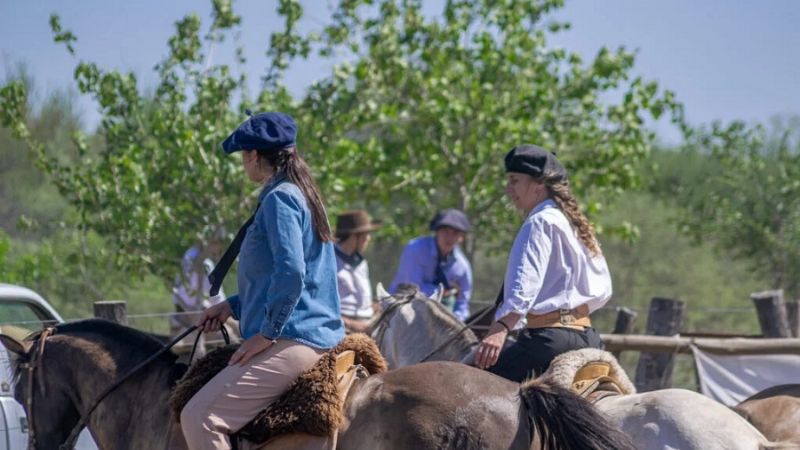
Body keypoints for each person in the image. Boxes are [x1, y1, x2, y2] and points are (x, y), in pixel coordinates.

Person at [181, 112, 345, 450]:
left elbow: (292, 273)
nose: (244, 165)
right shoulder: (302, 194)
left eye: (244, 156)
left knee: (198, 417)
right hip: (309, 333)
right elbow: (286, 279)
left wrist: (267, 334)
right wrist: (232, 305)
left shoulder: (279, 199)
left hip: (293, 338)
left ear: (254, 155)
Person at [474, 144, 612, 382]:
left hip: (549, 342)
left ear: (539, 184)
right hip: (589, 338)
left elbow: (524, 285)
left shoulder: (539, 221)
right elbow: (604, 290)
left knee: (473, 388)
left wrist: (500, 329)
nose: (508, 189)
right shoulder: (574, 224)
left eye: (514, 180)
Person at [389, 209, 473, 321]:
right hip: (401, 310)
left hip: (440, 322)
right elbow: (412, 289)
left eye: (455, 233)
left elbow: (462, 304)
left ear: (461, 237)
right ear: (437, 231)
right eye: (445, 231)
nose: (450, 237)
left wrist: (456, 322)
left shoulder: (462, 267)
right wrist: (444, 293)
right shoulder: (415, 249)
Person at [333, 209, 381, 333]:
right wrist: (351, 323)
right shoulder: (329, 260)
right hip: (342, 328)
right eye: (366, 234)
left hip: (368, 324)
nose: (368, 239)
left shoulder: (361, 263)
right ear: (355, 236)